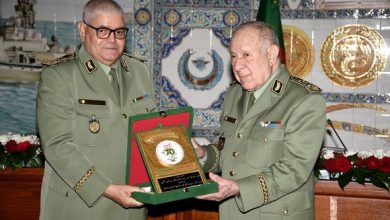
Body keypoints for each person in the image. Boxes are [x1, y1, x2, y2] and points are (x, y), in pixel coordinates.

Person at [193, 21, 326, 219]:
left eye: (246, 55)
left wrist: (238, 188)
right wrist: (202, 154)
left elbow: (294, 169)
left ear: (272, 55)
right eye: (234, 56)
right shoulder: (235, 94)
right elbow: (227, 153)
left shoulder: (304, 100)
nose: (237, 65)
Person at [36, 0, 156, 219]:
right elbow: (57, 146)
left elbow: (151, 132)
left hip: (133, 205)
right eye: (102, 31)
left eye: (119, 32)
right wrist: (109, 189)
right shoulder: (59, 76)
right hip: (81, 206)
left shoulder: (139, 71)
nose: (112, 40)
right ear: (83, 30)